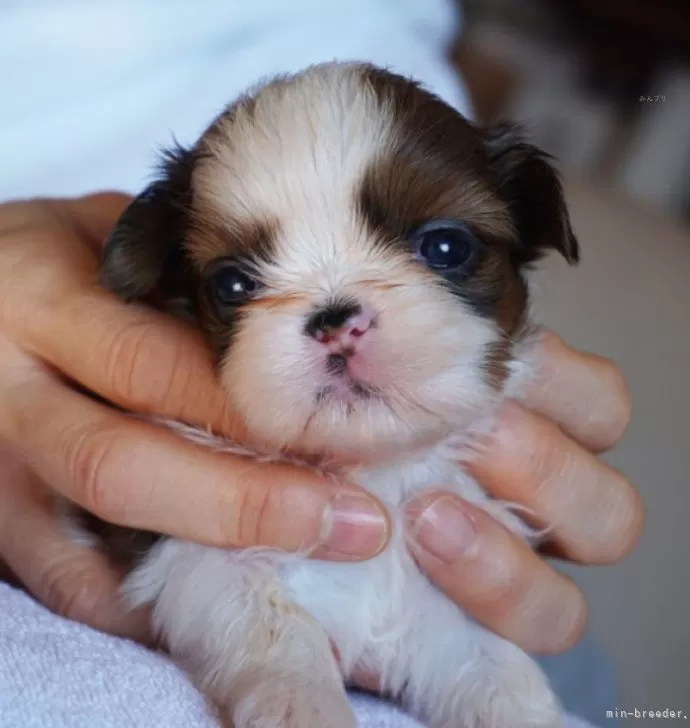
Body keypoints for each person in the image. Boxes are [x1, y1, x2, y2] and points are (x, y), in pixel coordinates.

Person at [0, 1, 642, 726]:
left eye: (443, 250)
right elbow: (190, 565)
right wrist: (277, 665)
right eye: (239, 284)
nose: (341, 326)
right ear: (169, 288)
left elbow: (457, 644)